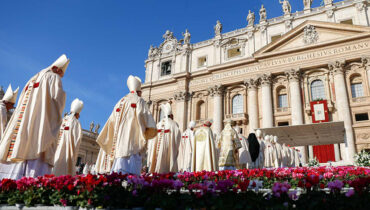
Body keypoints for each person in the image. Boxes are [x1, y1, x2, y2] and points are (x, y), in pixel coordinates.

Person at [0, 54, 69, 178]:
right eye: (62, 73)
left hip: (22, 128)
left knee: (22, 147)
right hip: (40, 126)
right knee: (38, 150)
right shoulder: (54, 78)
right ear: (57, 69)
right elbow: (57, 101)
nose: (61, 76)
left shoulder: (33, 79)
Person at [97, 75, 157, 176]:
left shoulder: (120, 101)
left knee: (119, 167)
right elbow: (146, 118)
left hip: (119, 142)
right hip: (133, 141)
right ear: (139, 91)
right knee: (131, 169)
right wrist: (148, 130)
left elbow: (111, 121)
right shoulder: (139, 100)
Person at [52, 99, 84, 176]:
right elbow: (77, 138)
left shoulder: (63, 120)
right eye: (79, 114)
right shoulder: (76, 122)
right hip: (67, 150)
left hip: (56, 148)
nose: (79, 116)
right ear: (77, 114)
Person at [149, 103, 181, 173]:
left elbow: (152, 138)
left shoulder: (158, 125)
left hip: (157, 147)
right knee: (166, 163)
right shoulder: (173, 124)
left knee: (158, 161)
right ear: (171, 115)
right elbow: (177, 137)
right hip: (167, 148)